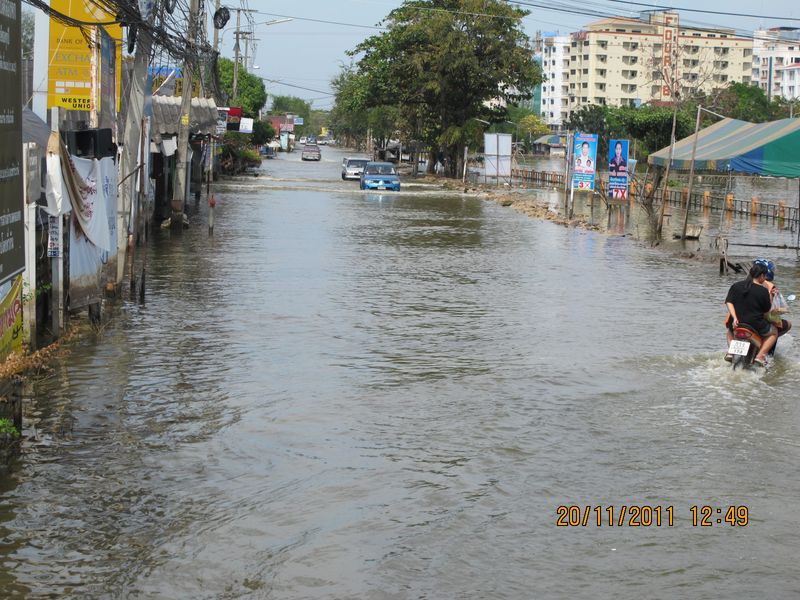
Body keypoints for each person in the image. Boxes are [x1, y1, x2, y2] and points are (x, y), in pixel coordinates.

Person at [724, 262, 777, 366]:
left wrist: (734, 318)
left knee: (730, 330)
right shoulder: (763, 291)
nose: (765, 278)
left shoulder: (736, 286)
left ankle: (730, 352)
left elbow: (729, 302)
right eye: (765, 276)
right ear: (761, 275)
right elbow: (767, 310)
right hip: (755, 324)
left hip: (738, 323)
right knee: (774, 332)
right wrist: (772, 296)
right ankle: (760, 356)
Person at [753, 258, 792, 351]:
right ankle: (766, 353)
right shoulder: (770, 287)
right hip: (761, 321)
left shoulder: (743, 285)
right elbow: (771, 310)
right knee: (777, 329)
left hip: (740, 319)